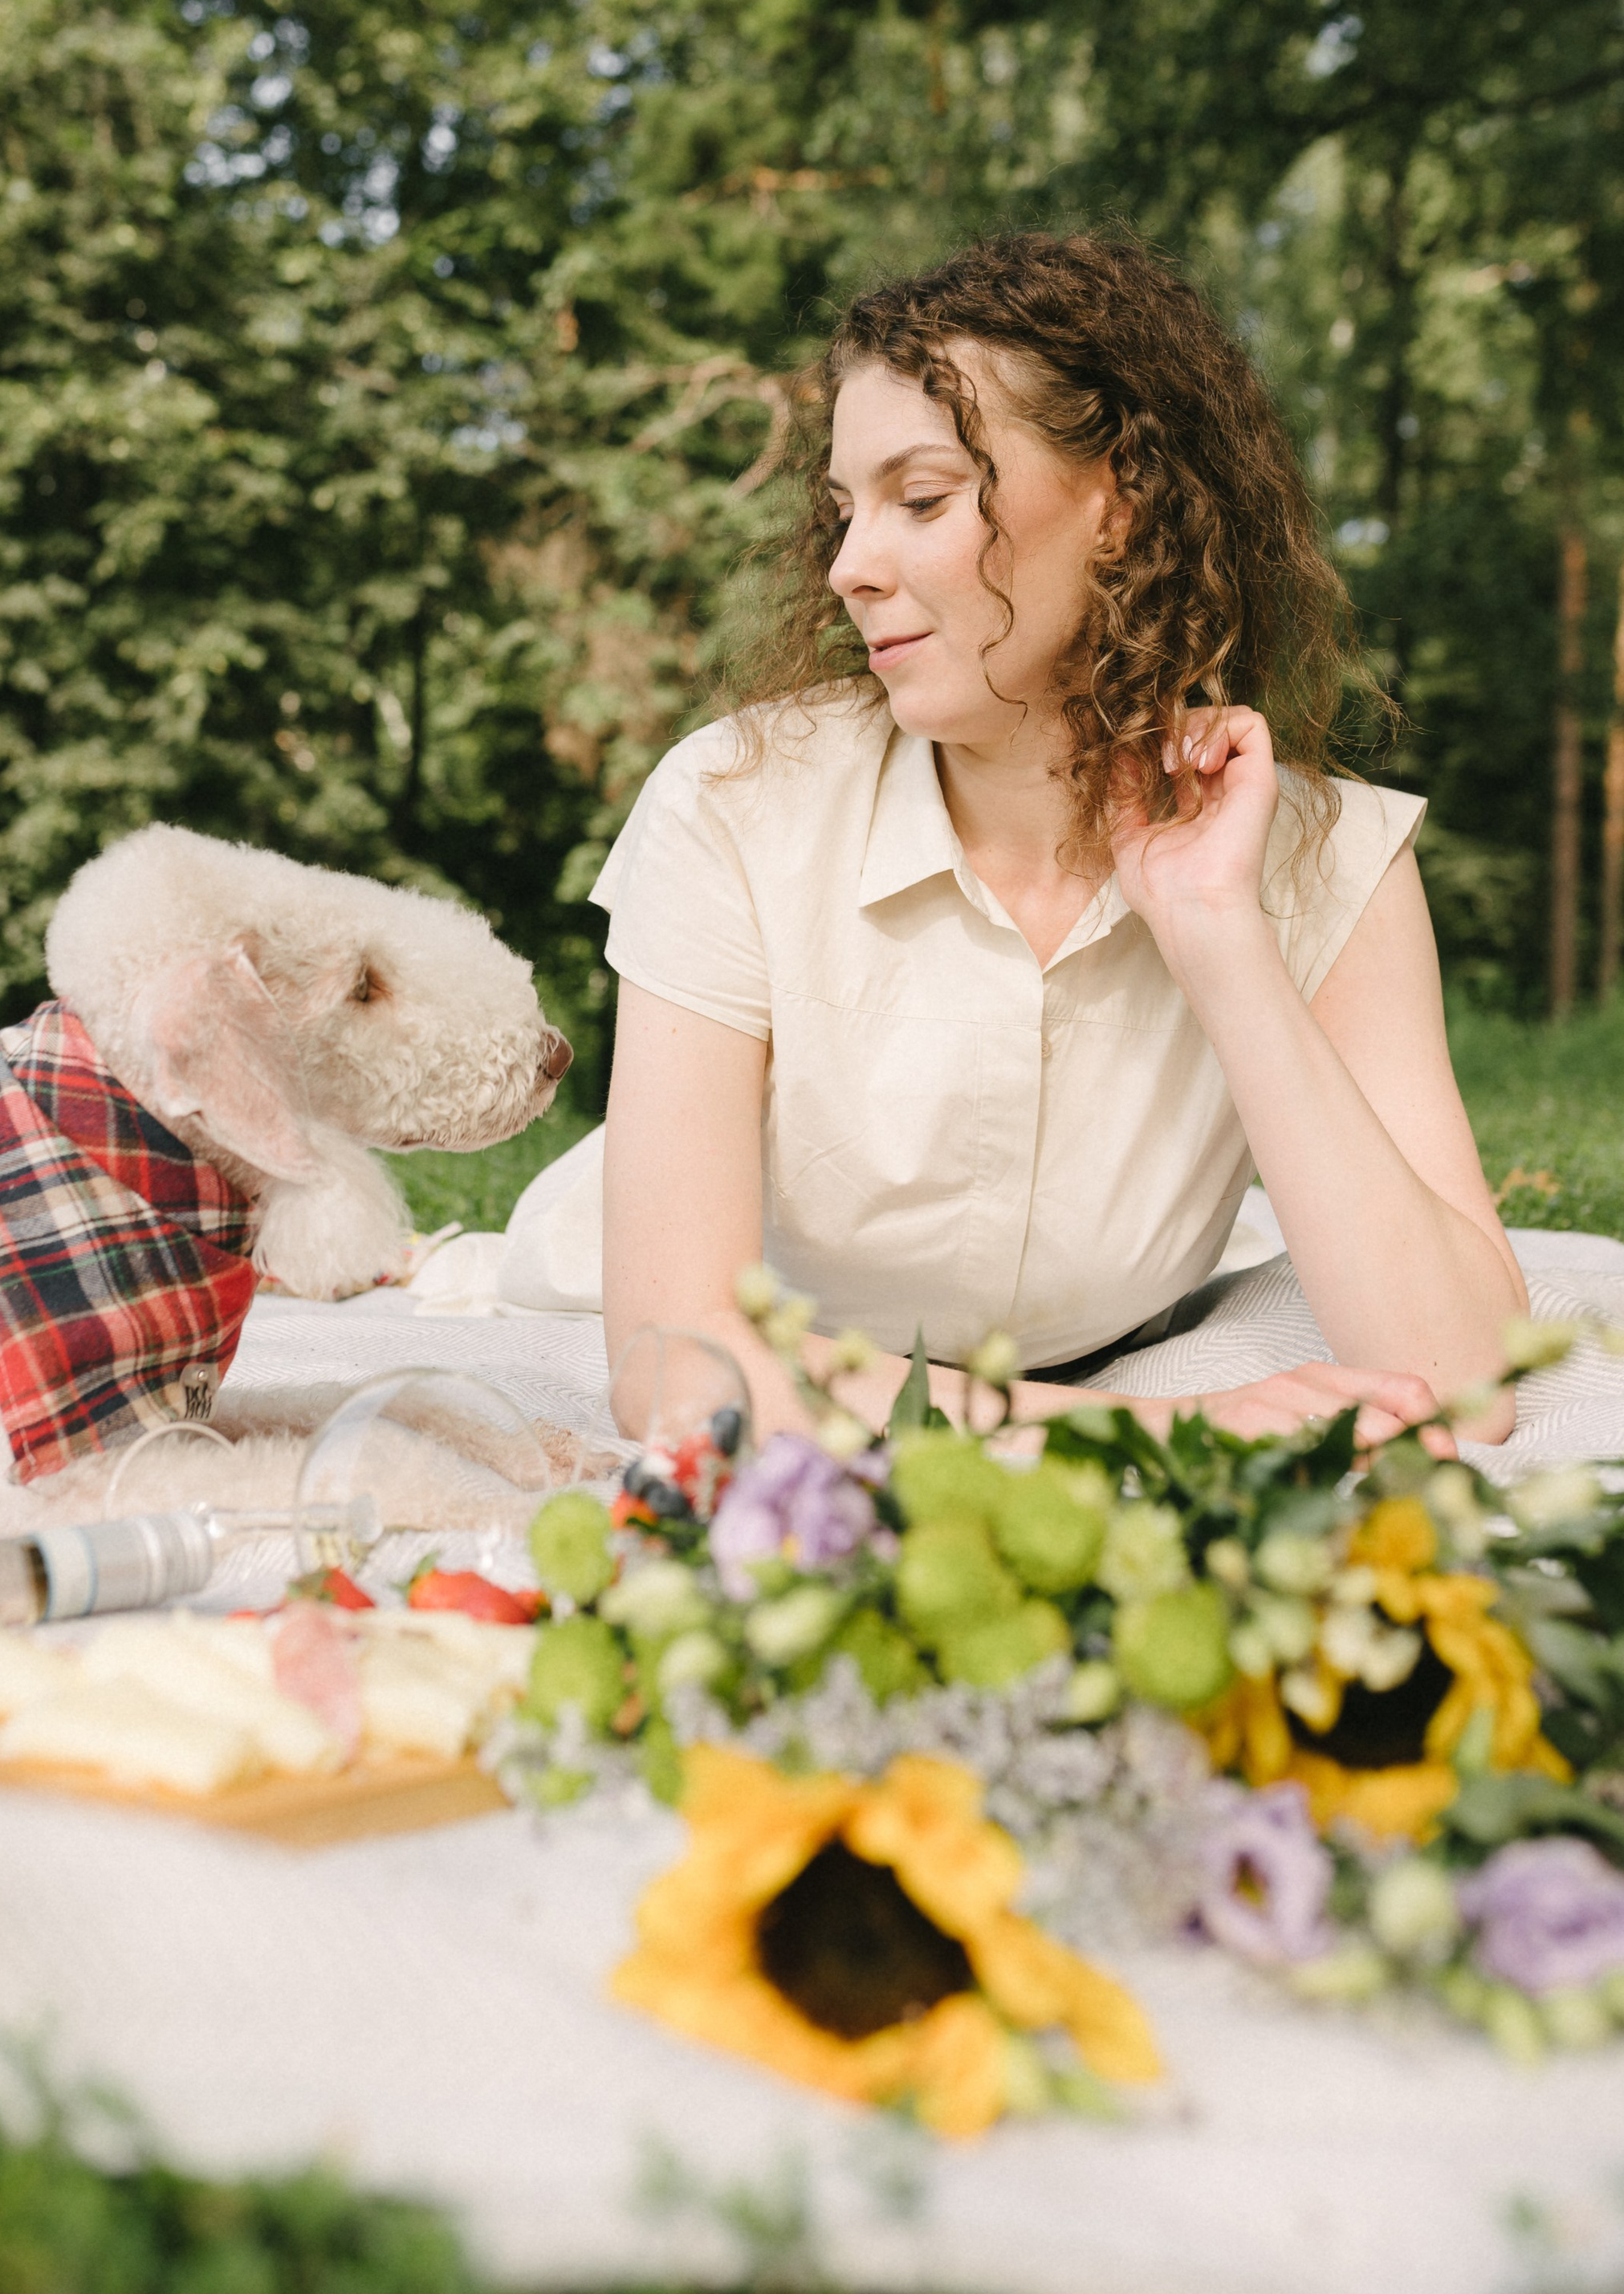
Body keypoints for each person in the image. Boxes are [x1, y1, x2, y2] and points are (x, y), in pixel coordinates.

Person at [593, 230, 1524, 1450]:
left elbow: (1462, 1374)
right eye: (842, 511)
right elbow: (673, 1360)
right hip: (803, 1343)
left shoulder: (1328, 855)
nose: (847, 568)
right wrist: (1154, 1430)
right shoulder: (731, 803)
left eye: (919, 499)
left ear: (1121, 506)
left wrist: (1217, 937)